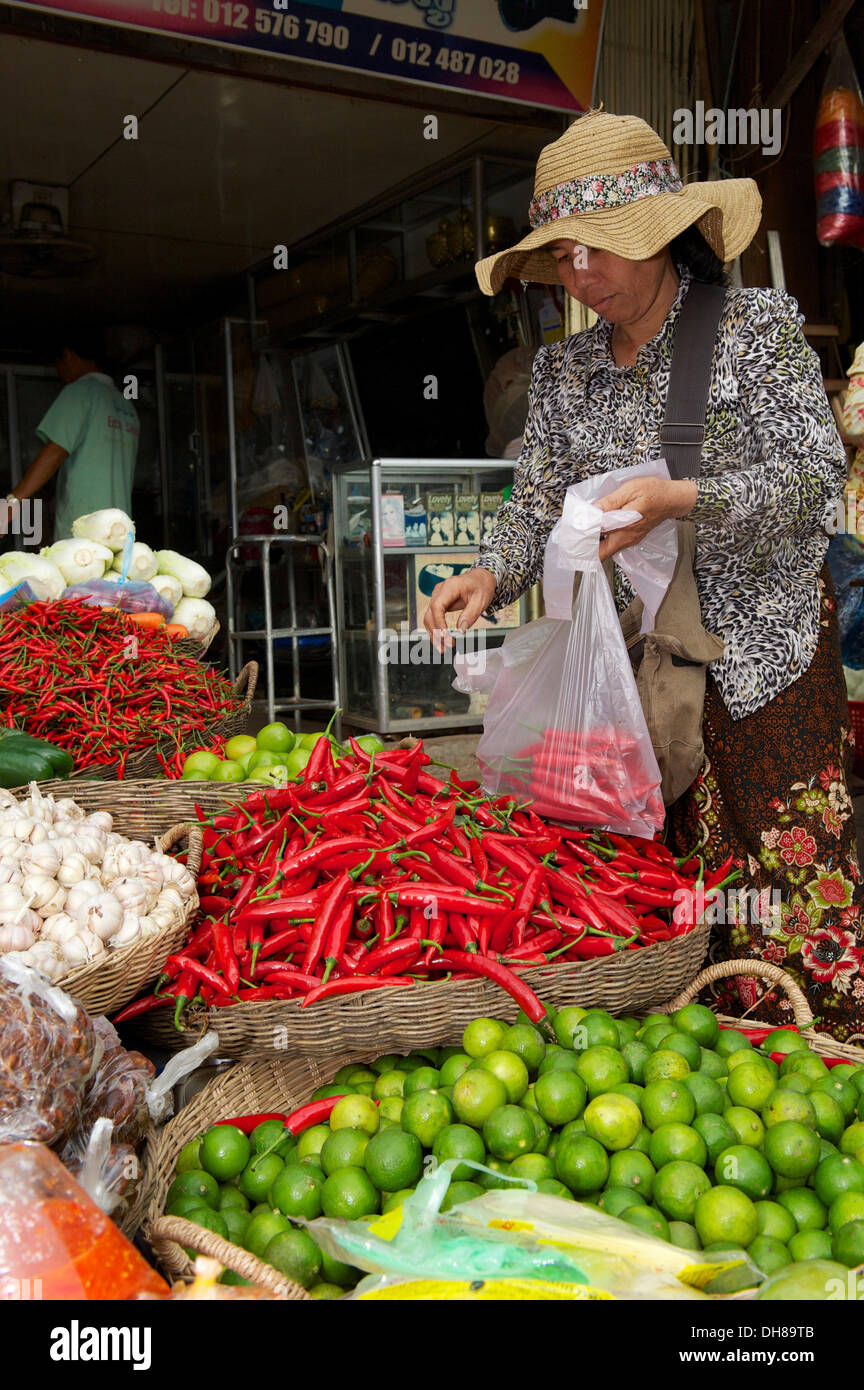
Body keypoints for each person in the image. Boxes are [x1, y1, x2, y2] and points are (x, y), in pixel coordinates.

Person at [424, 110, 861, 1039]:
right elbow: (537, 503)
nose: (583, 274)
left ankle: (830, 1061)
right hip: (639, 677)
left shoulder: (751, 330)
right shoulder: (563, 372)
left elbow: (815, 478)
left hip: (764, 665)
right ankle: (712, 1049)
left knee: (790, 885)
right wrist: (488, 579)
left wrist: (683, 495)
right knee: (668, 888)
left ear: (662, 230)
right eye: (567, 256)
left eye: (602, 250)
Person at [1, 328, 139, 543]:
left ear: (68, 355)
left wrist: (12, 501)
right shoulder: (125, 405)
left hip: (84, 531)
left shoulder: (79, 392)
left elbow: (55, 451)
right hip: (121, 531)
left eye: (59, 364)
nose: (60, 373)